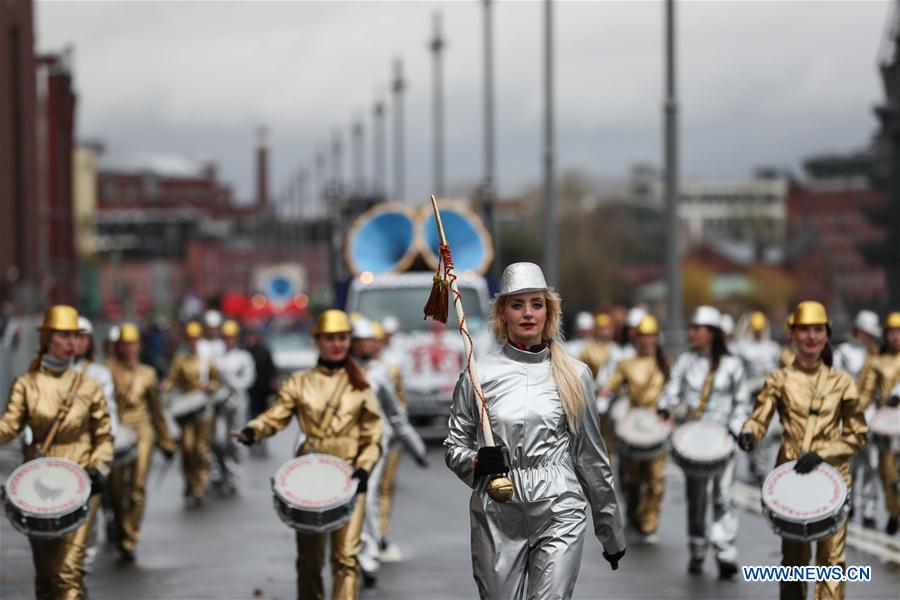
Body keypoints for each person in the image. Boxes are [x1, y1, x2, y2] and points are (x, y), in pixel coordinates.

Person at [444, 262, 625, 599]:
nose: (528, 313)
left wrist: (610, 532)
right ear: (503, 315)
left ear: (548, 312)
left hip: (559, 507)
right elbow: (454, 445)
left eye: (536, 304)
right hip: (498, 508)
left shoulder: (575, 374)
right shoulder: (477, 375)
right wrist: (477, 462)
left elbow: (591, 458)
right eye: (517, 305)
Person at [232, 309, 383, 600]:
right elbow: (277, 414)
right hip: (310, 476)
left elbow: (373, 434)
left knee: (346, 558)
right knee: (309, 561)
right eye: (330, 338)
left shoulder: (361, 383)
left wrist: (364, 468)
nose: (337, 344)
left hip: (350, 477)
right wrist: (254, 430)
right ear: (317, 341)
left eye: (342, 338)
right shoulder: (299, 382)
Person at [739, 301, 867, 600]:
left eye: (817, 330)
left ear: (827, 335)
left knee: (832, 563)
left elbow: (857, 435)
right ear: (792, 334)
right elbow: (760, 416)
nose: (811, 336)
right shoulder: (779, 379)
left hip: (833, 480)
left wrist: (825, 453)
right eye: (804, 330)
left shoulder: (842, 382)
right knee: (794, 563)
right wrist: (749, 433)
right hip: (791, 479)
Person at [0, 305, 113, 599]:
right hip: (37, 488)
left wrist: (100, 467)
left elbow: (104, 435)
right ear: (48, 338)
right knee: (47, 576)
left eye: (76, 335)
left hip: (81, 483)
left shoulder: (90, 386)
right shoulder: (27, 384)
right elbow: (9, 426)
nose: (73, 342)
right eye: (65, 335)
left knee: (66, 573)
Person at [656, 305, 749, 579]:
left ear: (712, 333)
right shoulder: (685, 362)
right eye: (691, 328)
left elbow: (742, 402)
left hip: (723, 440)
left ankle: (725, 553)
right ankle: (697, 548)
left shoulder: (733, 364)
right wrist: (664, 406)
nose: (691, 333)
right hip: (694, 440)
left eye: (697, 329)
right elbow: (671, 391)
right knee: (696, 499)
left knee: (724, 497)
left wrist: (733, 430)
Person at [350, 317, 427, 586]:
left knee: (368, 496)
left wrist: (416, 448)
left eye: (372, 340)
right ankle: (350, 553)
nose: (371, 344)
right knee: (346, 501)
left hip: (375, 444)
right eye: (364, 340)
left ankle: (368, 559)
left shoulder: (381, 372)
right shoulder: (338, 372)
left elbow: (396, 415)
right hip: (344, 444)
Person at [107, 322, 177, 561]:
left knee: (137, 486)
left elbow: (156, 411)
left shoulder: (148, 373)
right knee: (116, 491)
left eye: (133, 344)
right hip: (116, 431)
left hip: (143, 431)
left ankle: (129, 537)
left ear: (140, 346)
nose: (129, 349)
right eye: (125, 344)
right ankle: (119, 525)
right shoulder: (107, 371)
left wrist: (166, 441)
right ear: (117, 347)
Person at [601, 315, 669, 544]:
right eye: (643, 336)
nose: (647, 340)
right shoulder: (626, 364)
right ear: (636, 337)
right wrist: (603, 394)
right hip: (633, 427)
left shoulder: (664, 364)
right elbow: (611, 384)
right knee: (632, 479)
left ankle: (650, 523)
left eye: (651, 336)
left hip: (657, 427)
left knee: (656, 478)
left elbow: (674, 391)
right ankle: (634, 511)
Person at [72, 316, 118, 572]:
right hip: (58, 457)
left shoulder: (99, 374)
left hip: (89, 455)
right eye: (68, 336)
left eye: (81, 337)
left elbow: (108, 415)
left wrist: (102, 458)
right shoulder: (45, 373)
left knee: (86, 519)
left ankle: (81, 569)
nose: (74, 343)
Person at [161, 321, 219, 507]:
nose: (193, 342)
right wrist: (166, 387)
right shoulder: (180, 359)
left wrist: (209, 385)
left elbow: (217, 381)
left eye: (195, 338)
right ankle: (189, 482)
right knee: (187, 448)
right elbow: (172, 378)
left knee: (201, 449)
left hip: (203, 409)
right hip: (186, 410)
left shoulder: (206, 359)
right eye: (190, 339)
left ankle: (200, 485)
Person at [833, 309, 882, 528]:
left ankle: (869, 510)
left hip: (871, 415)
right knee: (848, 463)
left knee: (872, 463)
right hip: (848, 414)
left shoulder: (878, 355)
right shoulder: (842, 352)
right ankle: (847, 504)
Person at [858, 310, 900, 535]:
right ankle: (894, 512)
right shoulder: (876, 361)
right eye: (892, 332)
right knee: (887, 476)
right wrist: (855, 414)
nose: (896, 337)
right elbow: (866, 392)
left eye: (899, 332)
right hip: (885, 428)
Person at [735, 311, 783, 484]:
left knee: (769, 435)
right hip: (750, 397)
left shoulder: (773, 348)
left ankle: (763, 469)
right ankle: (754, 463)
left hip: (769, 397)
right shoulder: (743, 348)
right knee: (752, 433)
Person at [211, 319, 255, 495]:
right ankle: (219, 471)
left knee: (235, 441)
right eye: (226, 337)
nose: (228, 340)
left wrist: (233, 383)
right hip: (220, 405)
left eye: (231, 337)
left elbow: (249, 379)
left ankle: (234, 475)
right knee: (218, 439)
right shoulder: (217, 358)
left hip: (237, 404)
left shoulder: (244, 357)